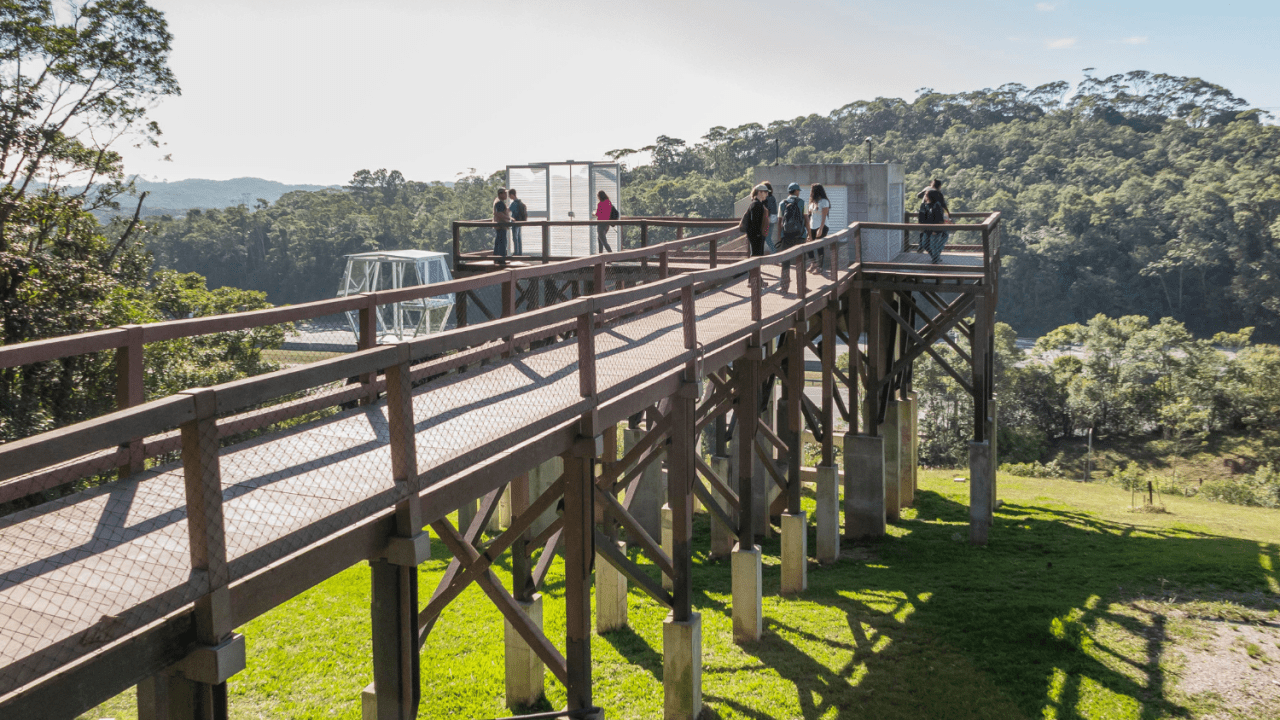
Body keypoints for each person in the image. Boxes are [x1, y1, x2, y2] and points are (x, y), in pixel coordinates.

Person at [777, 182, 806, 291]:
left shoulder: (782, 203)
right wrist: (808, 236)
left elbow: (780, 221)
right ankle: (802, 287)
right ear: (796, 191)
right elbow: (806, 219)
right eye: (798, 191)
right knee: (801, 262)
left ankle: (784, 287)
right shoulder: (802, 202)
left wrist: (780, 236)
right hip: (800, 236)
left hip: (786, 235)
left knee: (785, 261)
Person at [916, 178, 951, 263]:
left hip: (934, 226)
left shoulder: (934, 203)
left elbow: (937, 215)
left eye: (926, 196)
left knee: (933, 244)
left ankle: (936, 259)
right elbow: (943, 206)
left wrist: (935, 229)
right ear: (939, 186)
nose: (925, 197)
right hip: (931, 225)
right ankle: (936, 257)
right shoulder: (930, 202)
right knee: (932, 243)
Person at [805, 183, 831, 270]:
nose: (811, 192)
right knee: (808, 244)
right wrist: (808, 231)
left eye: (812, 190)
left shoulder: (824, 201)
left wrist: (821, 228)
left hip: (822, 226)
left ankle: (820, 267)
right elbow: (809, 216)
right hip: (812, 226)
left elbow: (824, 216)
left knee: (819, 245)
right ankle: (813, 263)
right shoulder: (812, 203)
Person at [740, 184, 770, 257]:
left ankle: (754, 268)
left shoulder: (757, 204)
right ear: (759, 192)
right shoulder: (756, 204)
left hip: (756, 235)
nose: (767, 194)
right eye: (765, 192)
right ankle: (752, 268)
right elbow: (755, 222)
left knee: (757, 255)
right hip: (756, 235)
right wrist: (758, 234)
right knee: (756, 255)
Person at [492, 187, 511, 262]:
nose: (506, 195)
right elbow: (499, 214)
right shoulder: (499, 202)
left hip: (499, 225)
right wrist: (508, 218)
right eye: (505, 193)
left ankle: (496, 259)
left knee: (498, 242)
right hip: (501, 225)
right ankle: (501, 260)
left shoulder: (498, 201)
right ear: (500, 194)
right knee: (502, 243)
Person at [507, 188, 527, 256]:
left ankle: (516, 253)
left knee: (515, 237)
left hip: (515, 222)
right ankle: (519, 252)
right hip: (520, 222)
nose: (509, 197)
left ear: (512, 195)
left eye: (509, 195)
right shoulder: (520, 202)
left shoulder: (514, 203)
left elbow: (508, 210)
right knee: (519, 237)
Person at [762, 181, 778, 253]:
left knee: (767, 238)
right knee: (768, 238)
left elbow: (768, 209)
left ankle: (774, 254)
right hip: (772, 220)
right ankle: (774, 253)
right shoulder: (773, 197)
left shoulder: (766, 198)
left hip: (767, 220)